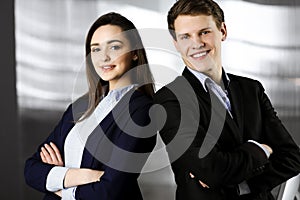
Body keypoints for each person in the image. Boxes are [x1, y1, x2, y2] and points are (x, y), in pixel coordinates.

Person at [153, 0, 300, 199]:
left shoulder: (251, 89)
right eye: (186, 36)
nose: (197, 43)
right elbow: (211, 169)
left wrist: (240, 185)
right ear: (176, 43)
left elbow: (292, 157)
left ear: (222, 31)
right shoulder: (169, 100)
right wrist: (261, 150)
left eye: (204, 32)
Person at [24, 12, 156, 200]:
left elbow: (109, 190)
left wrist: (58, 185)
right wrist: (83, 176)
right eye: (96, 49)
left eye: (115, 47)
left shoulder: (142, 111)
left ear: (135, 53)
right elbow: (31, 169)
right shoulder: (81, 105)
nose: (104, 57)